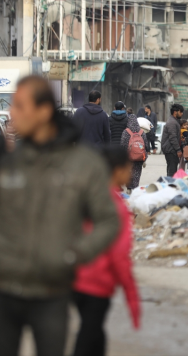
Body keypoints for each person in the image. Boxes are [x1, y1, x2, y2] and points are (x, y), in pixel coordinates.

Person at [0, 76, 120, 356]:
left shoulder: (82, 163)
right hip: (2, 286)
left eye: (19, 105)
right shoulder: (8, 157)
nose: (12, 113)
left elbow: (108, 220)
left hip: (52, 292)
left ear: (43, 112)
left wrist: (75, 253)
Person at [72, 146, 140, 356]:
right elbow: (119, 256)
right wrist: (132, 298)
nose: (131, 172)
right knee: (88, 337)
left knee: (95, 335)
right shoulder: (115, 205)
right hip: (96, 282)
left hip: (73, 278)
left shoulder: (85, 194)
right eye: (128, 167)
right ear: (117, 170)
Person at [120, 114, 149, 190]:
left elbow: (122, 144)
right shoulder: (142, 132)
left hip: (128, 157)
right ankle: (135, 188)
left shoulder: (126, 132)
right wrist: (145, 156)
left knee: (129, 173)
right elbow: (146, 145)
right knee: (137, 173)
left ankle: (129, 188)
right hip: (139, 157)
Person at [161, 104, 184, 177]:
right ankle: (170, 186)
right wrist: (178, 150)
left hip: (171, 150)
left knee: (172, 170)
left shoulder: (175, 121)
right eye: (180, 112)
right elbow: (172, 137)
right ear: (175, 112)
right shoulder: (172, 122)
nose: (182, 113)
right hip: (171, 150)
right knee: (172, 172)